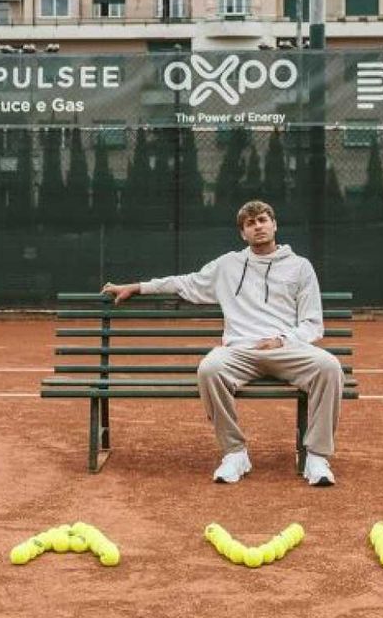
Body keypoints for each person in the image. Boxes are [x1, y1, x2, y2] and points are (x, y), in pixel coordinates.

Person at [101, 200, 343, 486]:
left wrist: (281, 340)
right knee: (209, 368)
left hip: (286, 349)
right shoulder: (227, 265)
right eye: (250, 224)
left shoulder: (300, 267)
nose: (258, 226)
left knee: (329, 366)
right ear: (243, 233)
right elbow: (183, 283)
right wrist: (138, 287)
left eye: (263, 220)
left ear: (274, 225)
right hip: (239, 351)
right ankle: (235, 453)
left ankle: (316, 456)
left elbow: (313, 323)